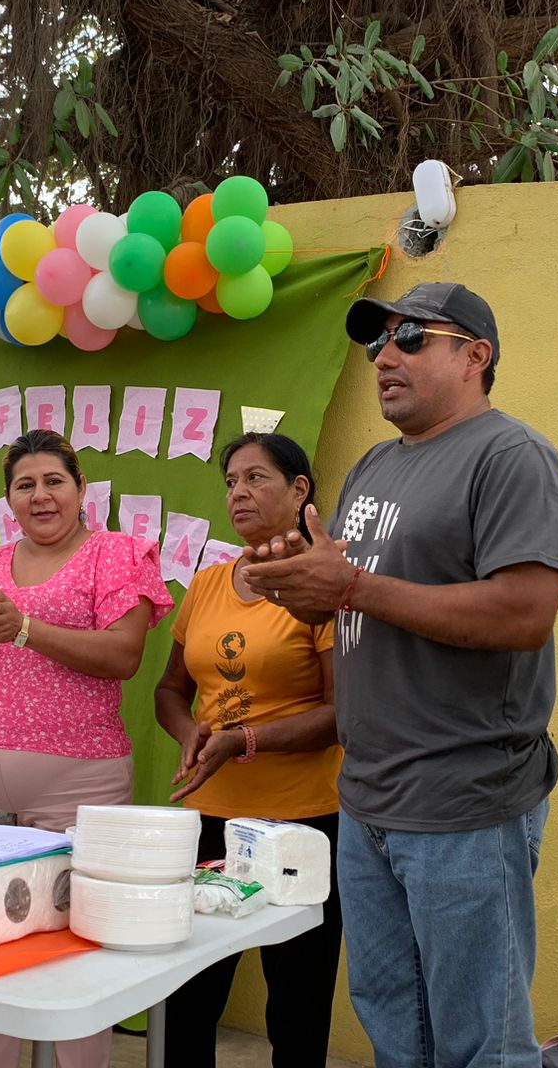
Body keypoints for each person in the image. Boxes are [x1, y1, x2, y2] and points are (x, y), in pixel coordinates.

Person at [244, 282, 558, 1068]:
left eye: (410, 338)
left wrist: (353, 586)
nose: (383, 357)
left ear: (475, 356)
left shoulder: (511, 457)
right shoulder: (375, 464)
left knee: (479, 1040)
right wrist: (295, 582)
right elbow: (341, 605)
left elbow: (524, 614)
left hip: (464, 799)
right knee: (396, 1027)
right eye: (375, 342)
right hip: (368, 796)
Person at [0, 428, 173, 1068]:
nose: (40, 496)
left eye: (54, 481)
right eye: (25, 485)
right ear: (9, 499)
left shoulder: (116, 554)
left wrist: (26, 628)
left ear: (81, 487)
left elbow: (123, 656)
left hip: (80, 781)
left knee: (74, 938)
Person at [154, 432, 342, 1068]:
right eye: (231, 481)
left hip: (302, 824)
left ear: (299, 490)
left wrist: (245, 741)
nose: (238, 492)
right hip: (211, 818)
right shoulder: (208, 584)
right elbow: (169, 690)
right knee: (191, 994)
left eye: (256, 478)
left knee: (298, 1001)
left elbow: (342, 713)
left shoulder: (322, 588)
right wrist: (191, 734)